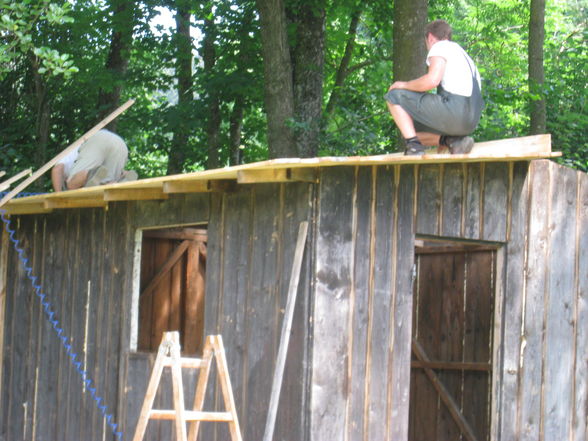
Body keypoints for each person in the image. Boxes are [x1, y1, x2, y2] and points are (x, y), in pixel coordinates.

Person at [384, 20, 483, 156]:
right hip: (471, 121)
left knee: (393, 95)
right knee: (409, 126)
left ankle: (413, 148)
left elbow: (432, 80)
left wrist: (403, 85)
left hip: (456, 111)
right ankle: (451, 141)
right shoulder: (463, 55)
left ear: (430, 37)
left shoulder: (440, 47)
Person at [51, 129, 137, 192]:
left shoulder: (67, 154)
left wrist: (58, 195)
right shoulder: (98, 174)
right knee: (107, 183)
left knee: (70, 184)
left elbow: (57, 169)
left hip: (99, 139)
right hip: (120, 144)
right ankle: (124, 179)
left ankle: (91, 174)